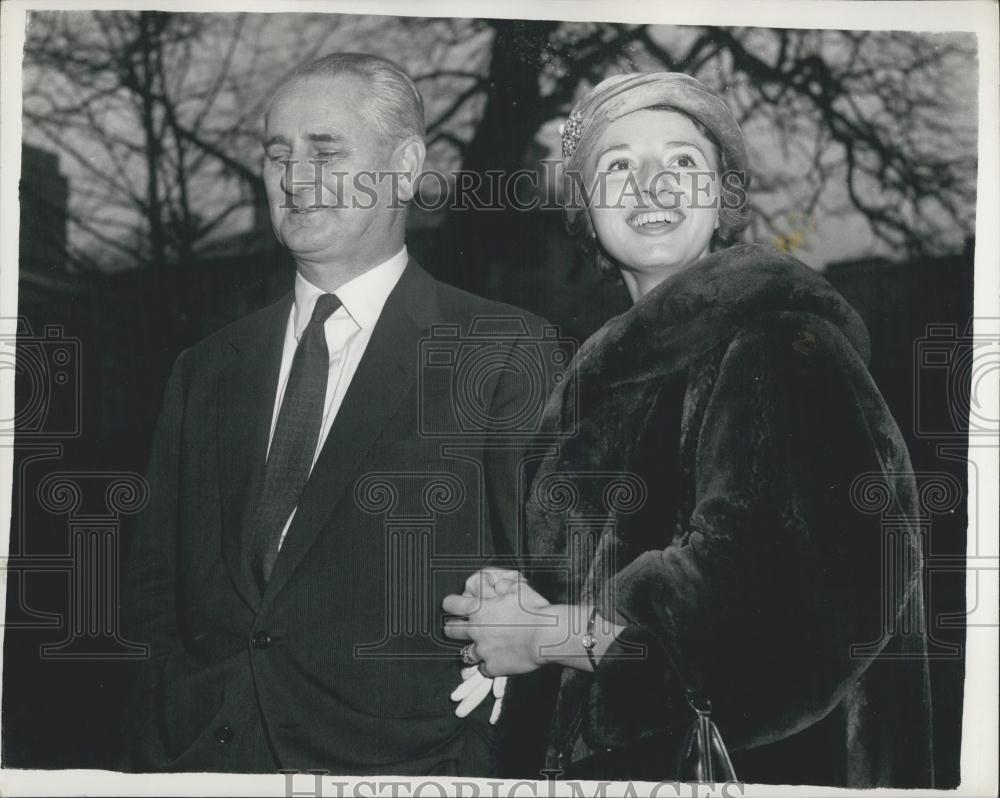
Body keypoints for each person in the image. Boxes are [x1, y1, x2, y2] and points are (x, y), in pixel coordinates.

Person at [443, 72, 934, 787]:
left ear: (722, 196)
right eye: (619, 165)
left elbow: (779, 613)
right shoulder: (604, 371)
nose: (653, 186)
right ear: (583, 207)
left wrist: (546, 635)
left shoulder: (779, 342)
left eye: (682, 161)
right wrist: (530, 603)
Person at [122, 52, 552, 775]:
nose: (294, 177)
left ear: (406, 165)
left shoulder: (502, 352)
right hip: (197, 762)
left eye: (326, 150)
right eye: (277, 154)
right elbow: (153, 594)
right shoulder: (205, 368)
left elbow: (552, 583)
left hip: (402, 767)